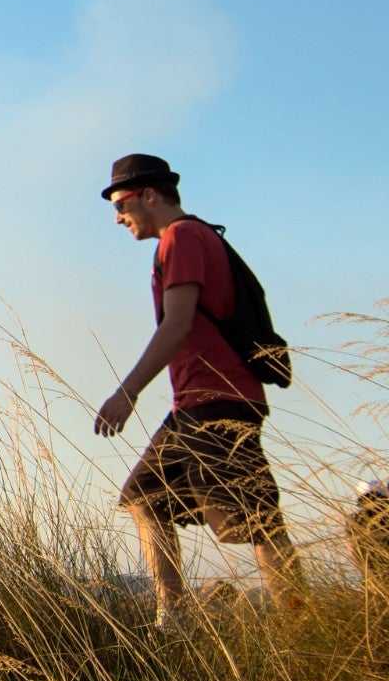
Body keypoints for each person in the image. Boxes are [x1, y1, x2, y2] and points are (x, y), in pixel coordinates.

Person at [94, 154, 304, 627]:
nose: (117, 216)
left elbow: (178, 323)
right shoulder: (188, 238)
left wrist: (127, 392)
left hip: (216, 400)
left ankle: (299, 620)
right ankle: (173, 616)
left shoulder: (183, 237)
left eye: (121, 202)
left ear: (151, 194)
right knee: (145, 497)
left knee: (251, 521)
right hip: (200, 402)